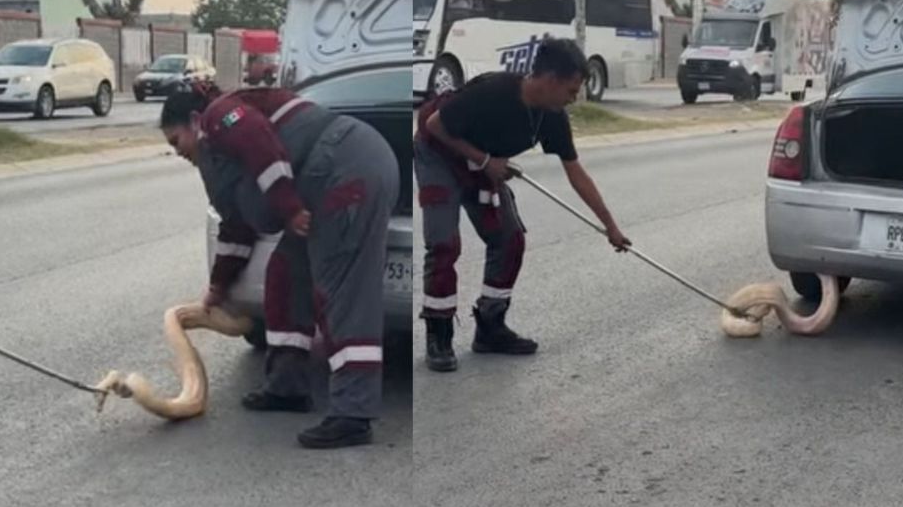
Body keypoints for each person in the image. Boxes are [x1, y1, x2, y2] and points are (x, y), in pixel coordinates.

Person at [159, 82, 398, 449]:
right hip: (322, 184)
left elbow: (257, 139)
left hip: (347, 170)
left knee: (342, 294)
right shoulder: (221, 160)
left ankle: (354, 414)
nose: (178, 153)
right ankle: (287, 386)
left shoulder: (219, 114)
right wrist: (218, 287)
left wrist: (288, 207)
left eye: (177, 141)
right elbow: (237, 226)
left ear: (194, 121)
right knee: (286, 274)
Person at [414, 37, 631, 373]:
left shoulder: (552, 116)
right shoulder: (493, 92)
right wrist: (485, 159)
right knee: (444, 242)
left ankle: (490, 327)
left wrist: (611, 228)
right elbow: (434, 125)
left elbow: (576, 173)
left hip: (484, 162)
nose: (573, 100)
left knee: (509, 238)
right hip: (439, 153)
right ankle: (438, 335)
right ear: (550, 80)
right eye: (572, 91)